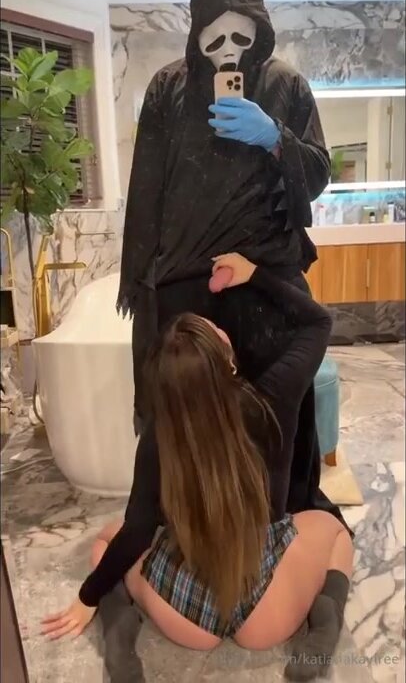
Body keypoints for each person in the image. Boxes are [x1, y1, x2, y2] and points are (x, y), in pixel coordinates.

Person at [42, 253, 353, 682]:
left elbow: (136, 533)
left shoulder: (160, 437)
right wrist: (255, 274)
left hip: (187, 616)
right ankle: (324, 626)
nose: (222, 327)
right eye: (216, 332)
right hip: (268, 611)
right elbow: (318, 322)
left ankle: (118, 631)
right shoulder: (273, 398)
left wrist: (87, 597)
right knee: (332, 529)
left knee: (108, 538)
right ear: (227, 360)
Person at [117, 0, 345, 542]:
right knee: (182, 420)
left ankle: (277, 526)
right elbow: (146, 189)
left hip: (267, 279)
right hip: (186, 284)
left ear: (261, 29)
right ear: (195, 31)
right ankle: (185, 530)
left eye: (241, 36)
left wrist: (276, 139)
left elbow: (319, 173)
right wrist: (142, 282)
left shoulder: (287, 86)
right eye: (213, 37)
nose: (227, 51)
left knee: (275, 417)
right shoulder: (168, 89)